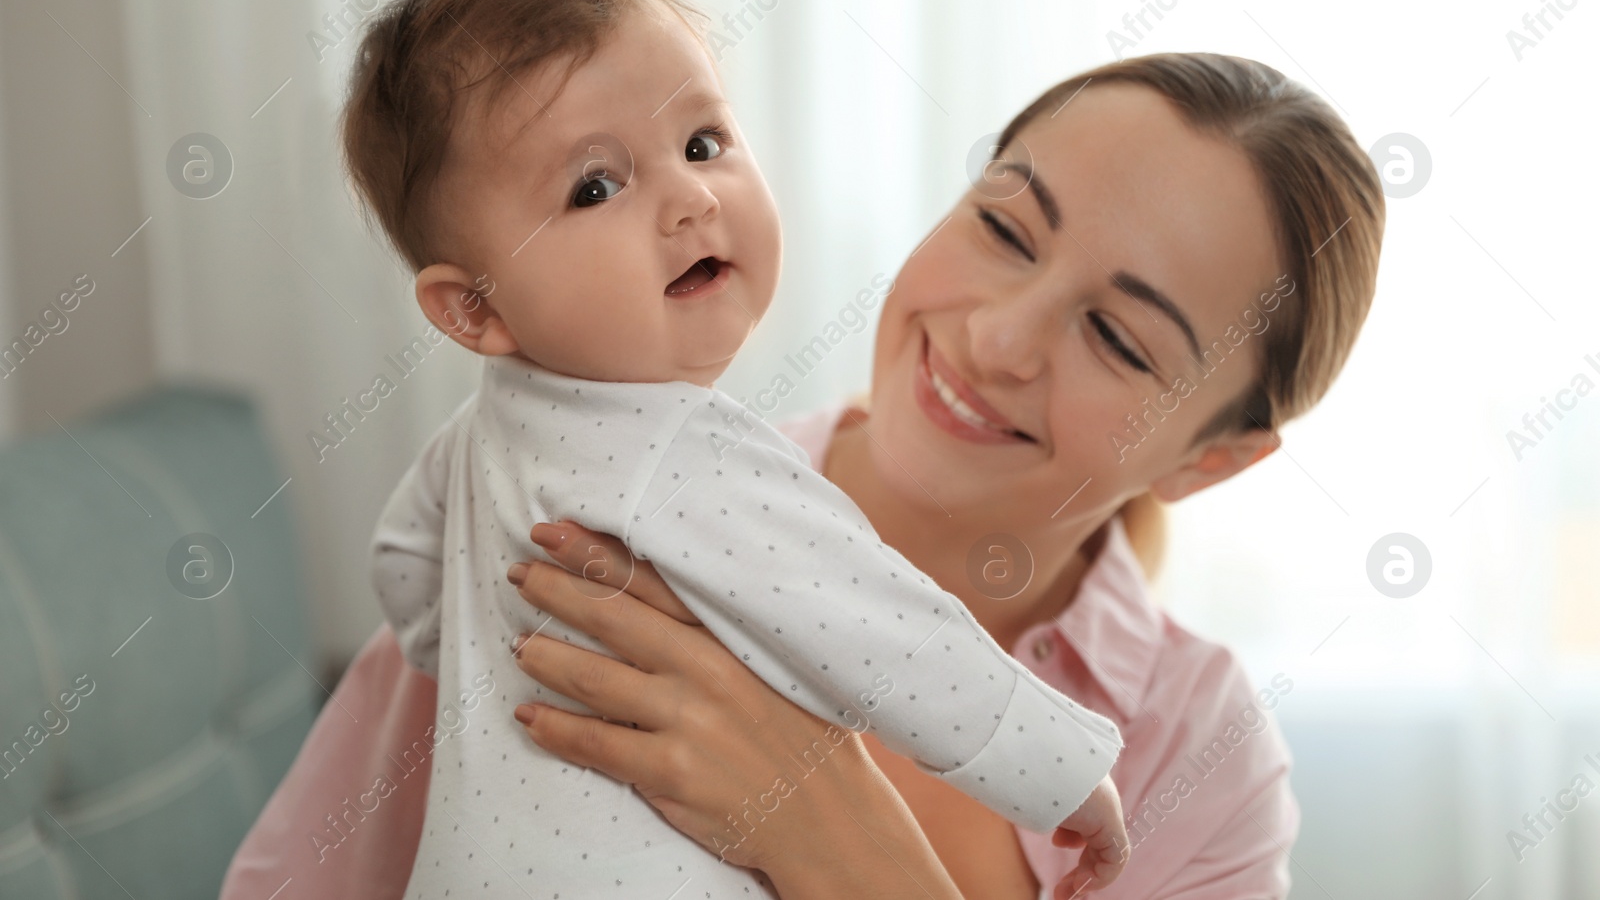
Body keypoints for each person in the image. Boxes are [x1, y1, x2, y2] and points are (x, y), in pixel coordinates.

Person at [222, 46, 1384, 899]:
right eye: (1004, 228)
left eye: (1121, 340)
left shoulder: (1197, 751)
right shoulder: (583, 520)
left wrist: (841, 839)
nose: (996, 339)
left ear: (1212, 458)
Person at [338, 0, 1127, 900]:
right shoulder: (690, 450)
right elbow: (880, 624)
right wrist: (1065, 775)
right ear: (472, 307)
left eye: (704, 141)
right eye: (595, 187)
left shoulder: (481, 436)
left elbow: (400, 562)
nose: (691, 198)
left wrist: (488, 655)